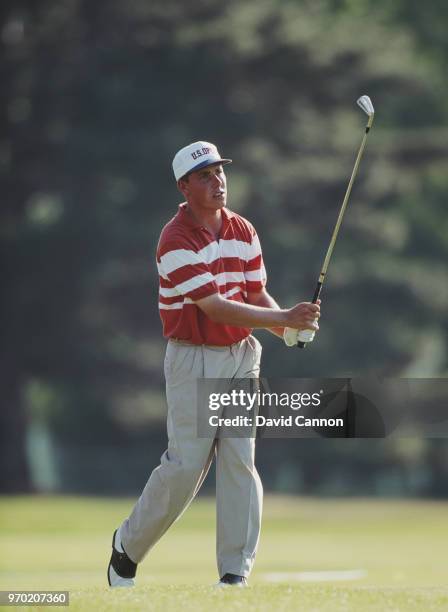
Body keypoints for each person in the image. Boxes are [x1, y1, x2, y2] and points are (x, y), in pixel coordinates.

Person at [107, 141, 321, 588]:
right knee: (186, 468)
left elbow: (254, 293)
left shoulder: (243, 229)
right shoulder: (175, 239)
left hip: (241, 356)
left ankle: (233, 574)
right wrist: (283, 319)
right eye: (204, 176)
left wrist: (288, 330)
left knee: (239, 460)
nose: (217, 181)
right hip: (192, 358)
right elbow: (215, 307)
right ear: (184, 186)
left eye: (219, 172)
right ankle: (127, 548)